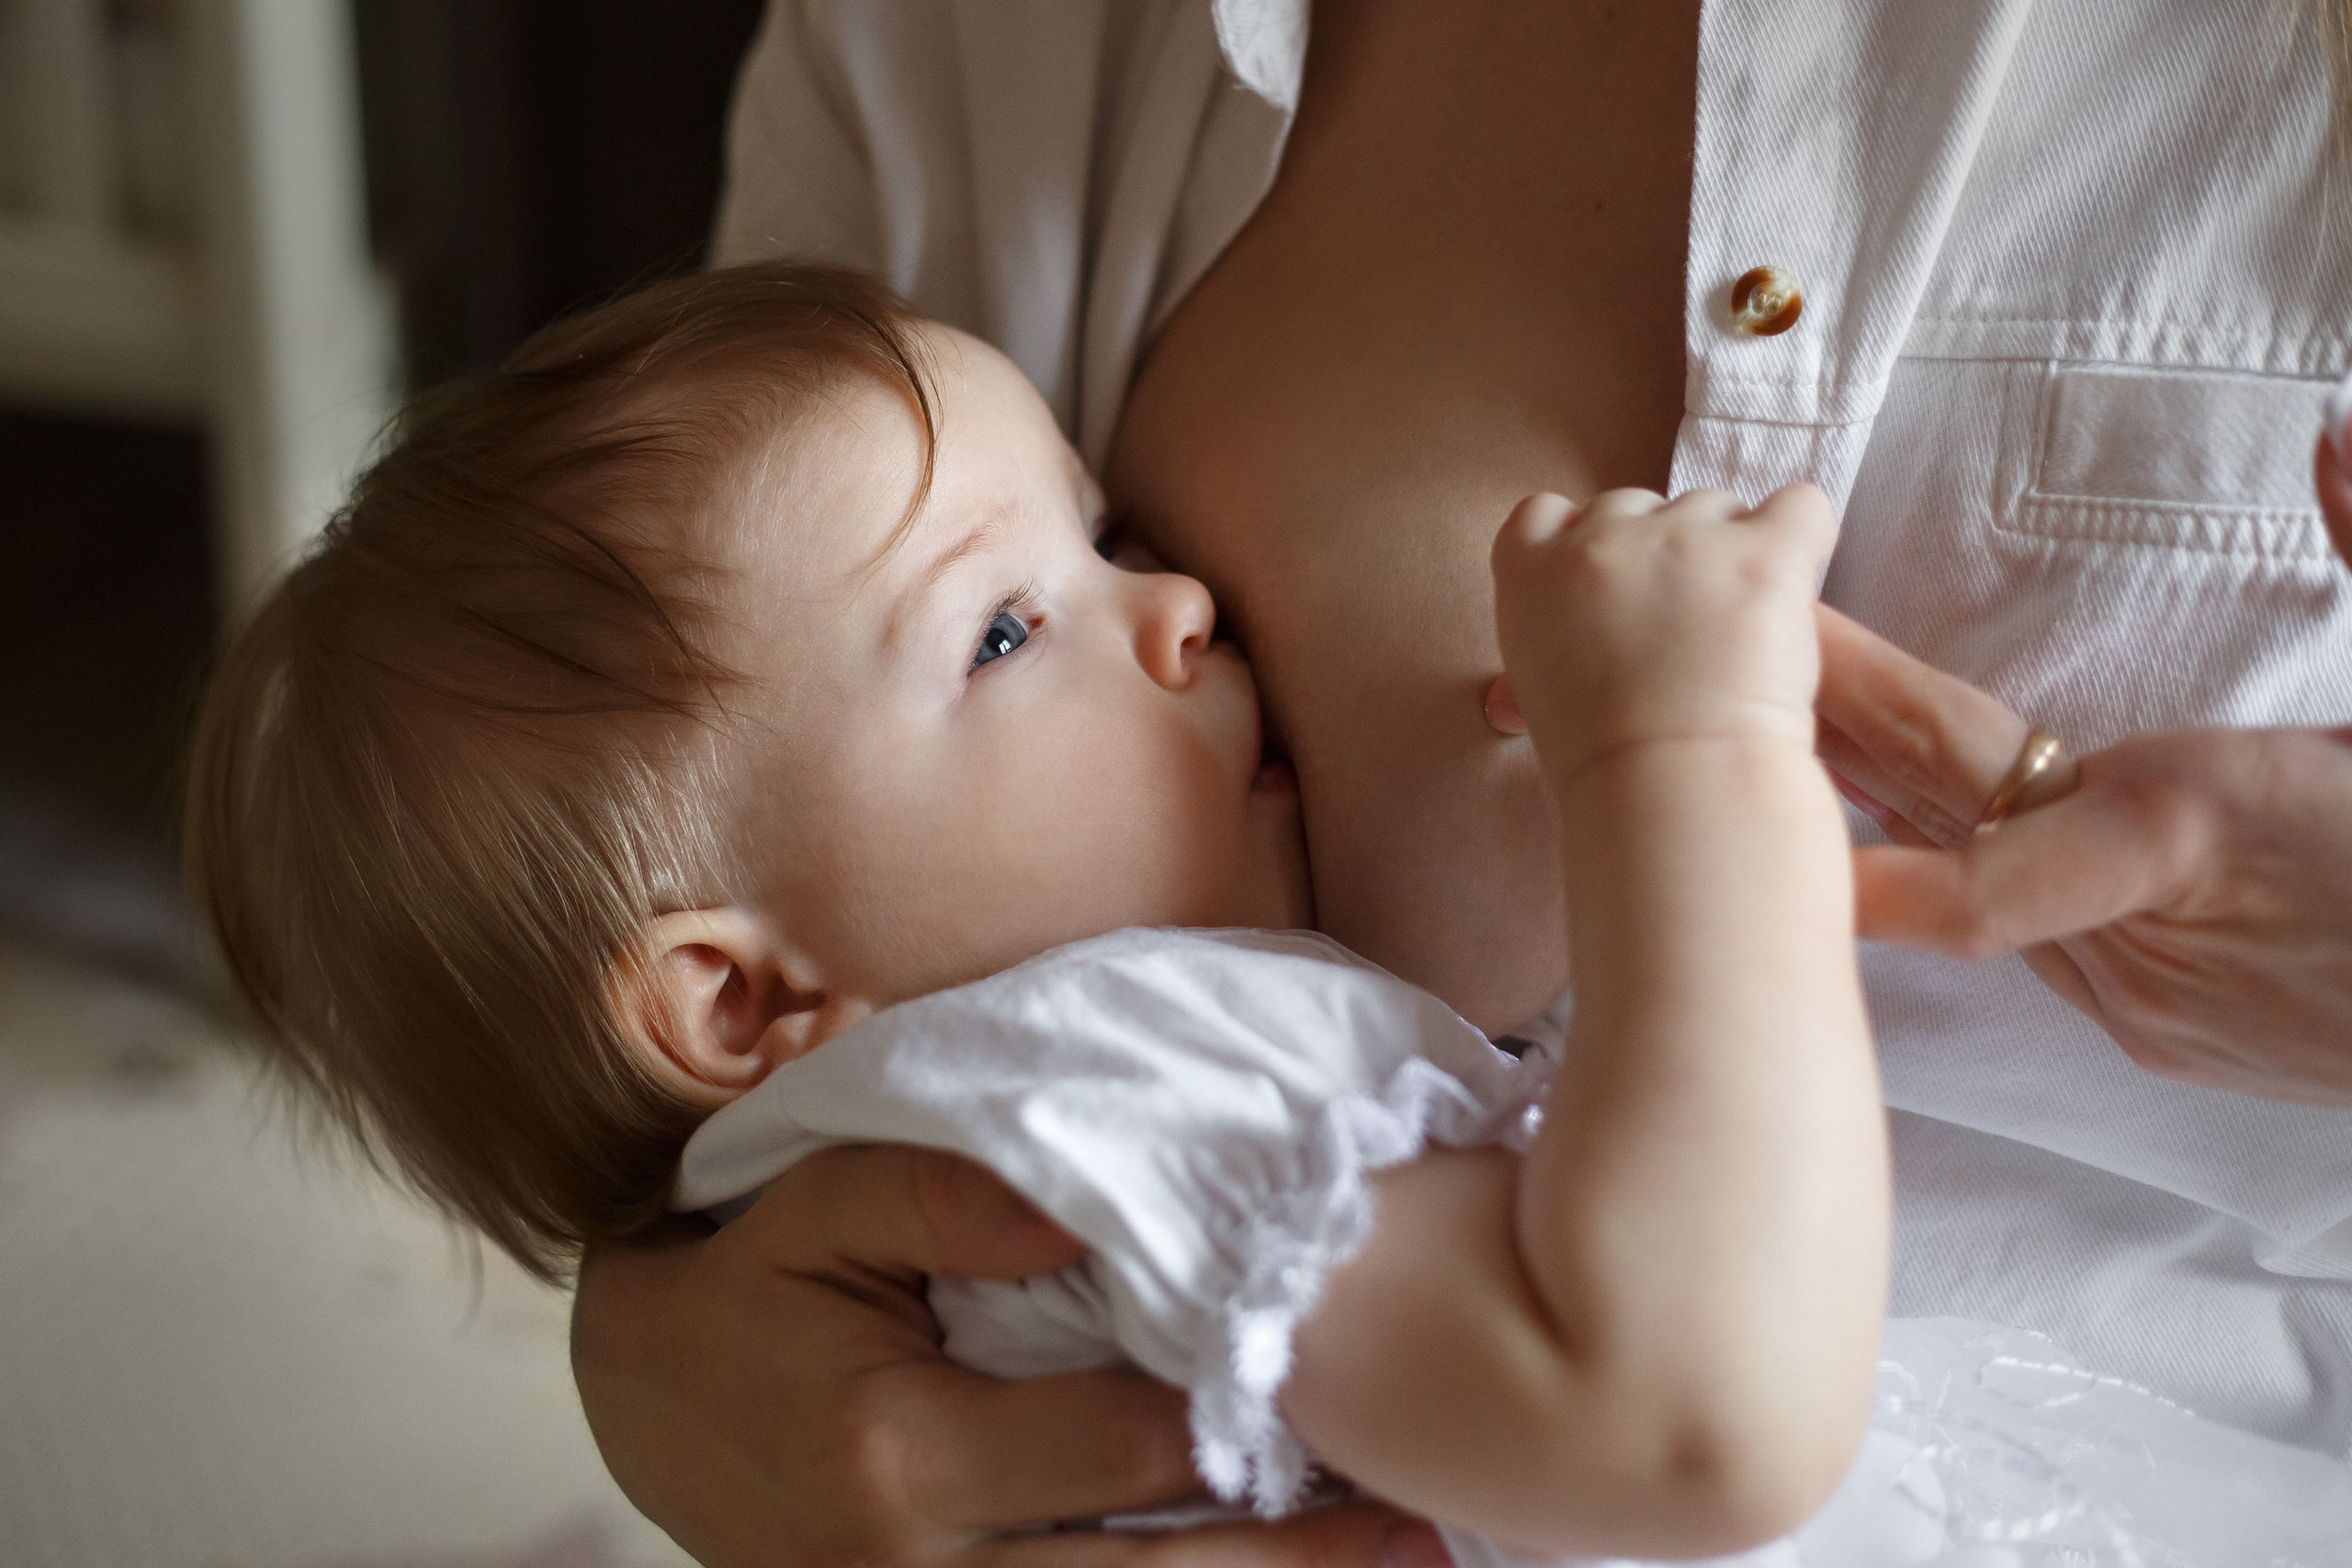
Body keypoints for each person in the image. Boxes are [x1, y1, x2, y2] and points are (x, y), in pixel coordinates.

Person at [571, 2, 2352, 1562]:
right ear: (737, 996)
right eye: (1006, 627)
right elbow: (1688, 1421)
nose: (1182, 604)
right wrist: (1684, 755)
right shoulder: (1110, 1093)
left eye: (1106, 530)